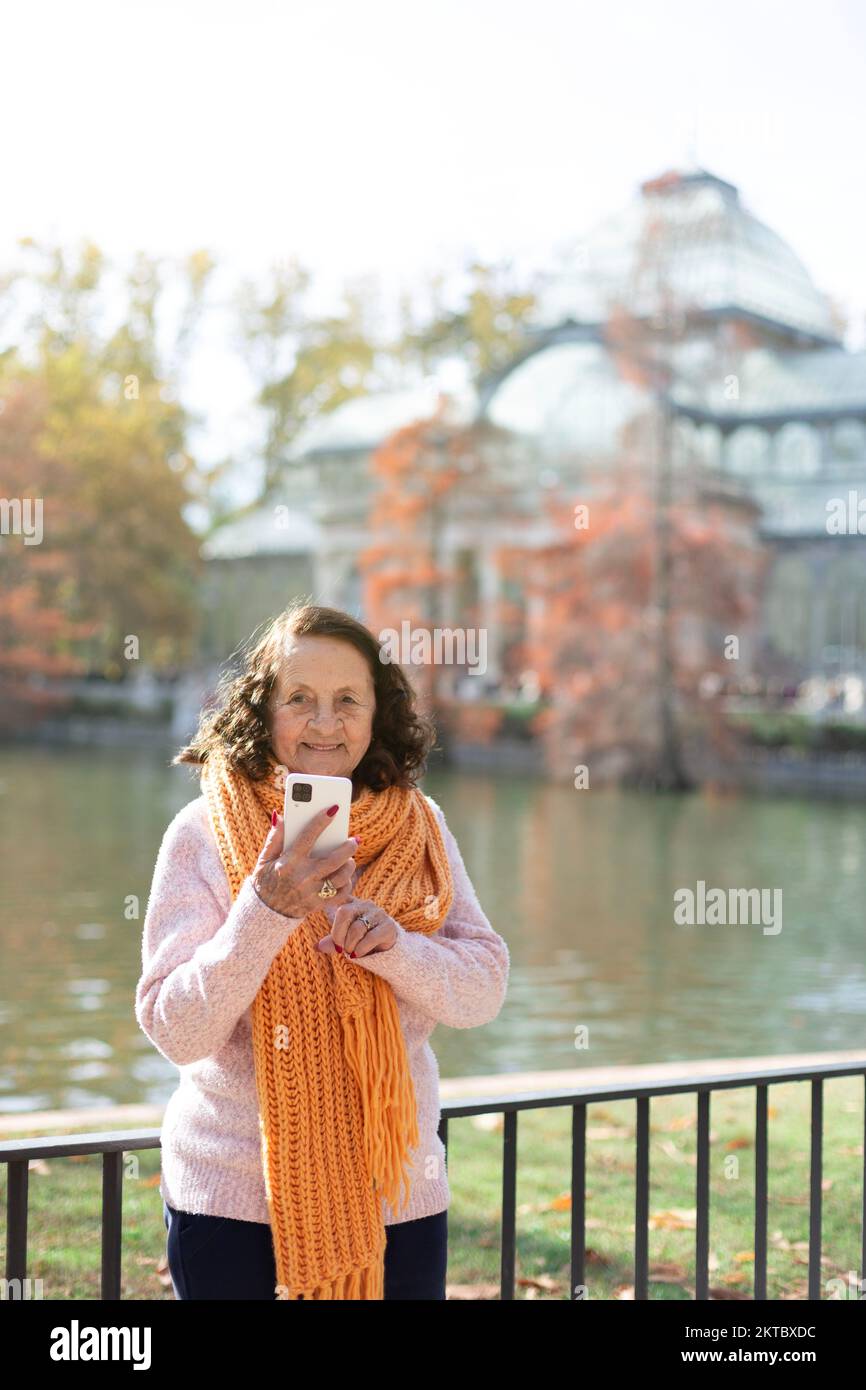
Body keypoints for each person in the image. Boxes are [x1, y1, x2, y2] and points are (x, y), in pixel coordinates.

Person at [135, 601, 509, 1300]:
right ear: (262, 708)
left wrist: (395, 949)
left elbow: (483, 991)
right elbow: (175, 1030)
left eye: (347, 700)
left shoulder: (423, 828)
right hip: (231, 1204)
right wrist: (264, 912)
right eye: (299, 699)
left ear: (377, 714)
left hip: (398, 1196)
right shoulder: (198, 835)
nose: (325, 723)